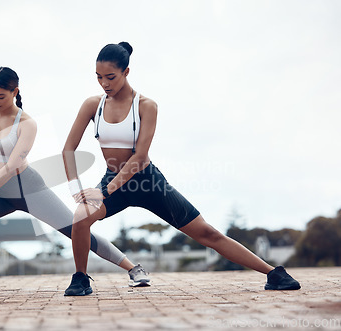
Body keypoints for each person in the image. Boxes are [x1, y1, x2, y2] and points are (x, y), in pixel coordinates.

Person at [62, 42, 301, 296]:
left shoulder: (146, 106)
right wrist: (77, 189)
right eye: (99, 78)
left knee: (207, 233)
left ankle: (273, 273)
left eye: (111, 77)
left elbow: (140, 157)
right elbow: (68, 149)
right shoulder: (93, 105)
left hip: (147, 181)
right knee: (80, 217)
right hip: (114, 181)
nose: (104, 84)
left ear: (126, 72)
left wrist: (104, 191)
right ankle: (80, 279)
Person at [0, 67, 150, 294]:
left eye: (1, 96)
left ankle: (133, 269)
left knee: (76, 230)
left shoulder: (27, 123)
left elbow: (11, 167)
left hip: (29, 190)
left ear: (15, 92)